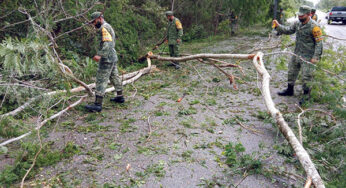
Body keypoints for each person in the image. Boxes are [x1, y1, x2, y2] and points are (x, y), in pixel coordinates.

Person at [273, 5, 323, 105]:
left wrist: (316, 57)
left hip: (308, 56)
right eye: (299, 15)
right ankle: (289, 90)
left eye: (302, 16)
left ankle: (306, 96)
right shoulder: (297, 23)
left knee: (306, 76)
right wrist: (278, 26)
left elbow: (319, 43)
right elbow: (288, 30)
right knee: (291, 71)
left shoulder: (315, 27)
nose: (300, 17)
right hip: (297, 53)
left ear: (309, 14)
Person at [85, 12, 125, 112]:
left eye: (94, 21)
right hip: (112, 57)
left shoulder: (104, 27)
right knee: (114, 76)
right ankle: (120, 96)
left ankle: (97, 104)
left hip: (107, 58)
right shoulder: (106, 27)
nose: (93, 24)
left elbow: (107, 43)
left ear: (99, 18)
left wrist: (100, 54)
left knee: (101, 79)